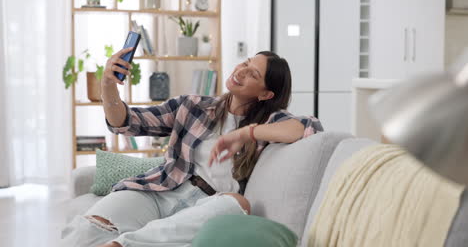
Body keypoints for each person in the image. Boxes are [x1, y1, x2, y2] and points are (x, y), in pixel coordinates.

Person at [61, 49, 323, 247]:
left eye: (253, 73)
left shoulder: (270, 123)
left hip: (207, 205)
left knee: (238, 203)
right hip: (158, 190)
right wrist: (107, 86)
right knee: (86, 229)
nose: (241, 70)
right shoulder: (192, 106)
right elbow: (127, 124)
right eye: (245, 63)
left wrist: (246, 132)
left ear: (265, 94)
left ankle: (123, 244)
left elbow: (308, 128)